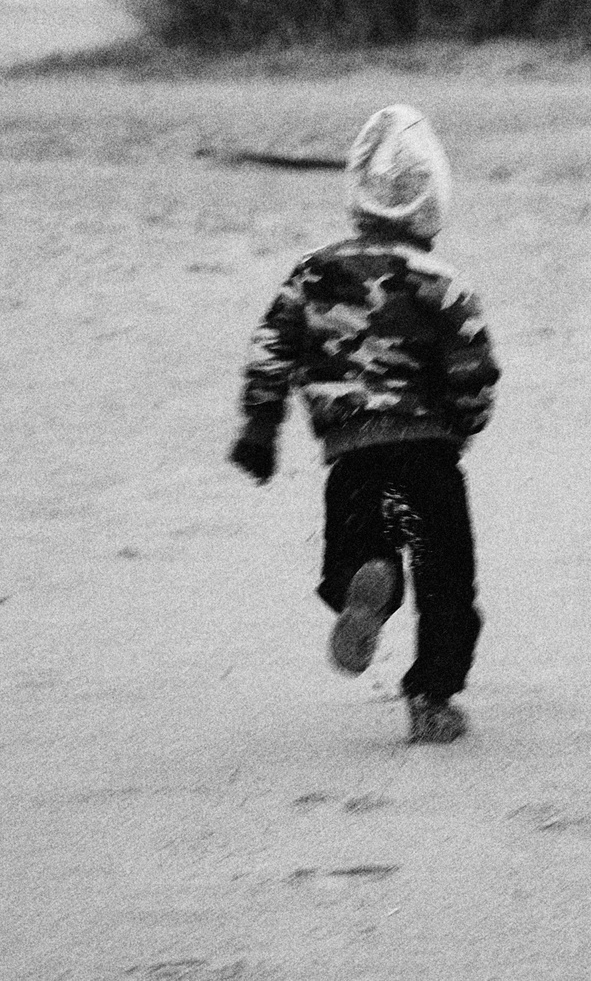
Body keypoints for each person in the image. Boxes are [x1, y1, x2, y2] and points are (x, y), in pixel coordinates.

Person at [226, 104, 499, 745]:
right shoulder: (439, 283)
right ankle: (432, 698)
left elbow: (272, 346)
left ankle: (366, 580)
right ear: (433, 203)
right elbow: (474, 365)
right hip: (429, 455)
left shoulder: (314, 272)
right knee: (446, 578)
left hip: (352, 451)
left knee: (358, 543)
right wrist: (466, 421)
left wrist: (261, 426)